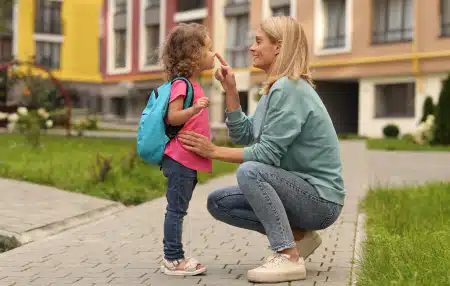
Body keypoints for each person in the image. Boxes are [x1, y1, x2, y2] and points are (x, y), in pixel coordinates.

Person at [178, 16, 345, 283]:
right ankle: (300, 237)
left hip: (321, 201)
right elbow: (246, 135)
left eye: (258, 42)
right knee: (219, 202)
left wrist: (212, 151)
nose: (252, 48)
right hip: (299, 193)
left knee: (251, 172)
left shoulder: (290, 88)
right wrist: (231, 90)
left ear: (278, 47)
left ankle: (288, 256)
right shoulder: (273, 89)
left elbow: (265, 155)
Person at [159, 23, 215, 276]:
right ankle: (172, 259)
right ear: (194, 54)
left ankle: (175, 256)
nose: (214, 54)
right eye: (209, 49)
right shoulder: (182, 84)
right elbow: (173, 117)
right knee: (176, 210)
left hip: (186, 160)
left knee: (178, 208)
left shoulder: (192, 83)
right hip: (179, 159)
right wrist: (194, 110)